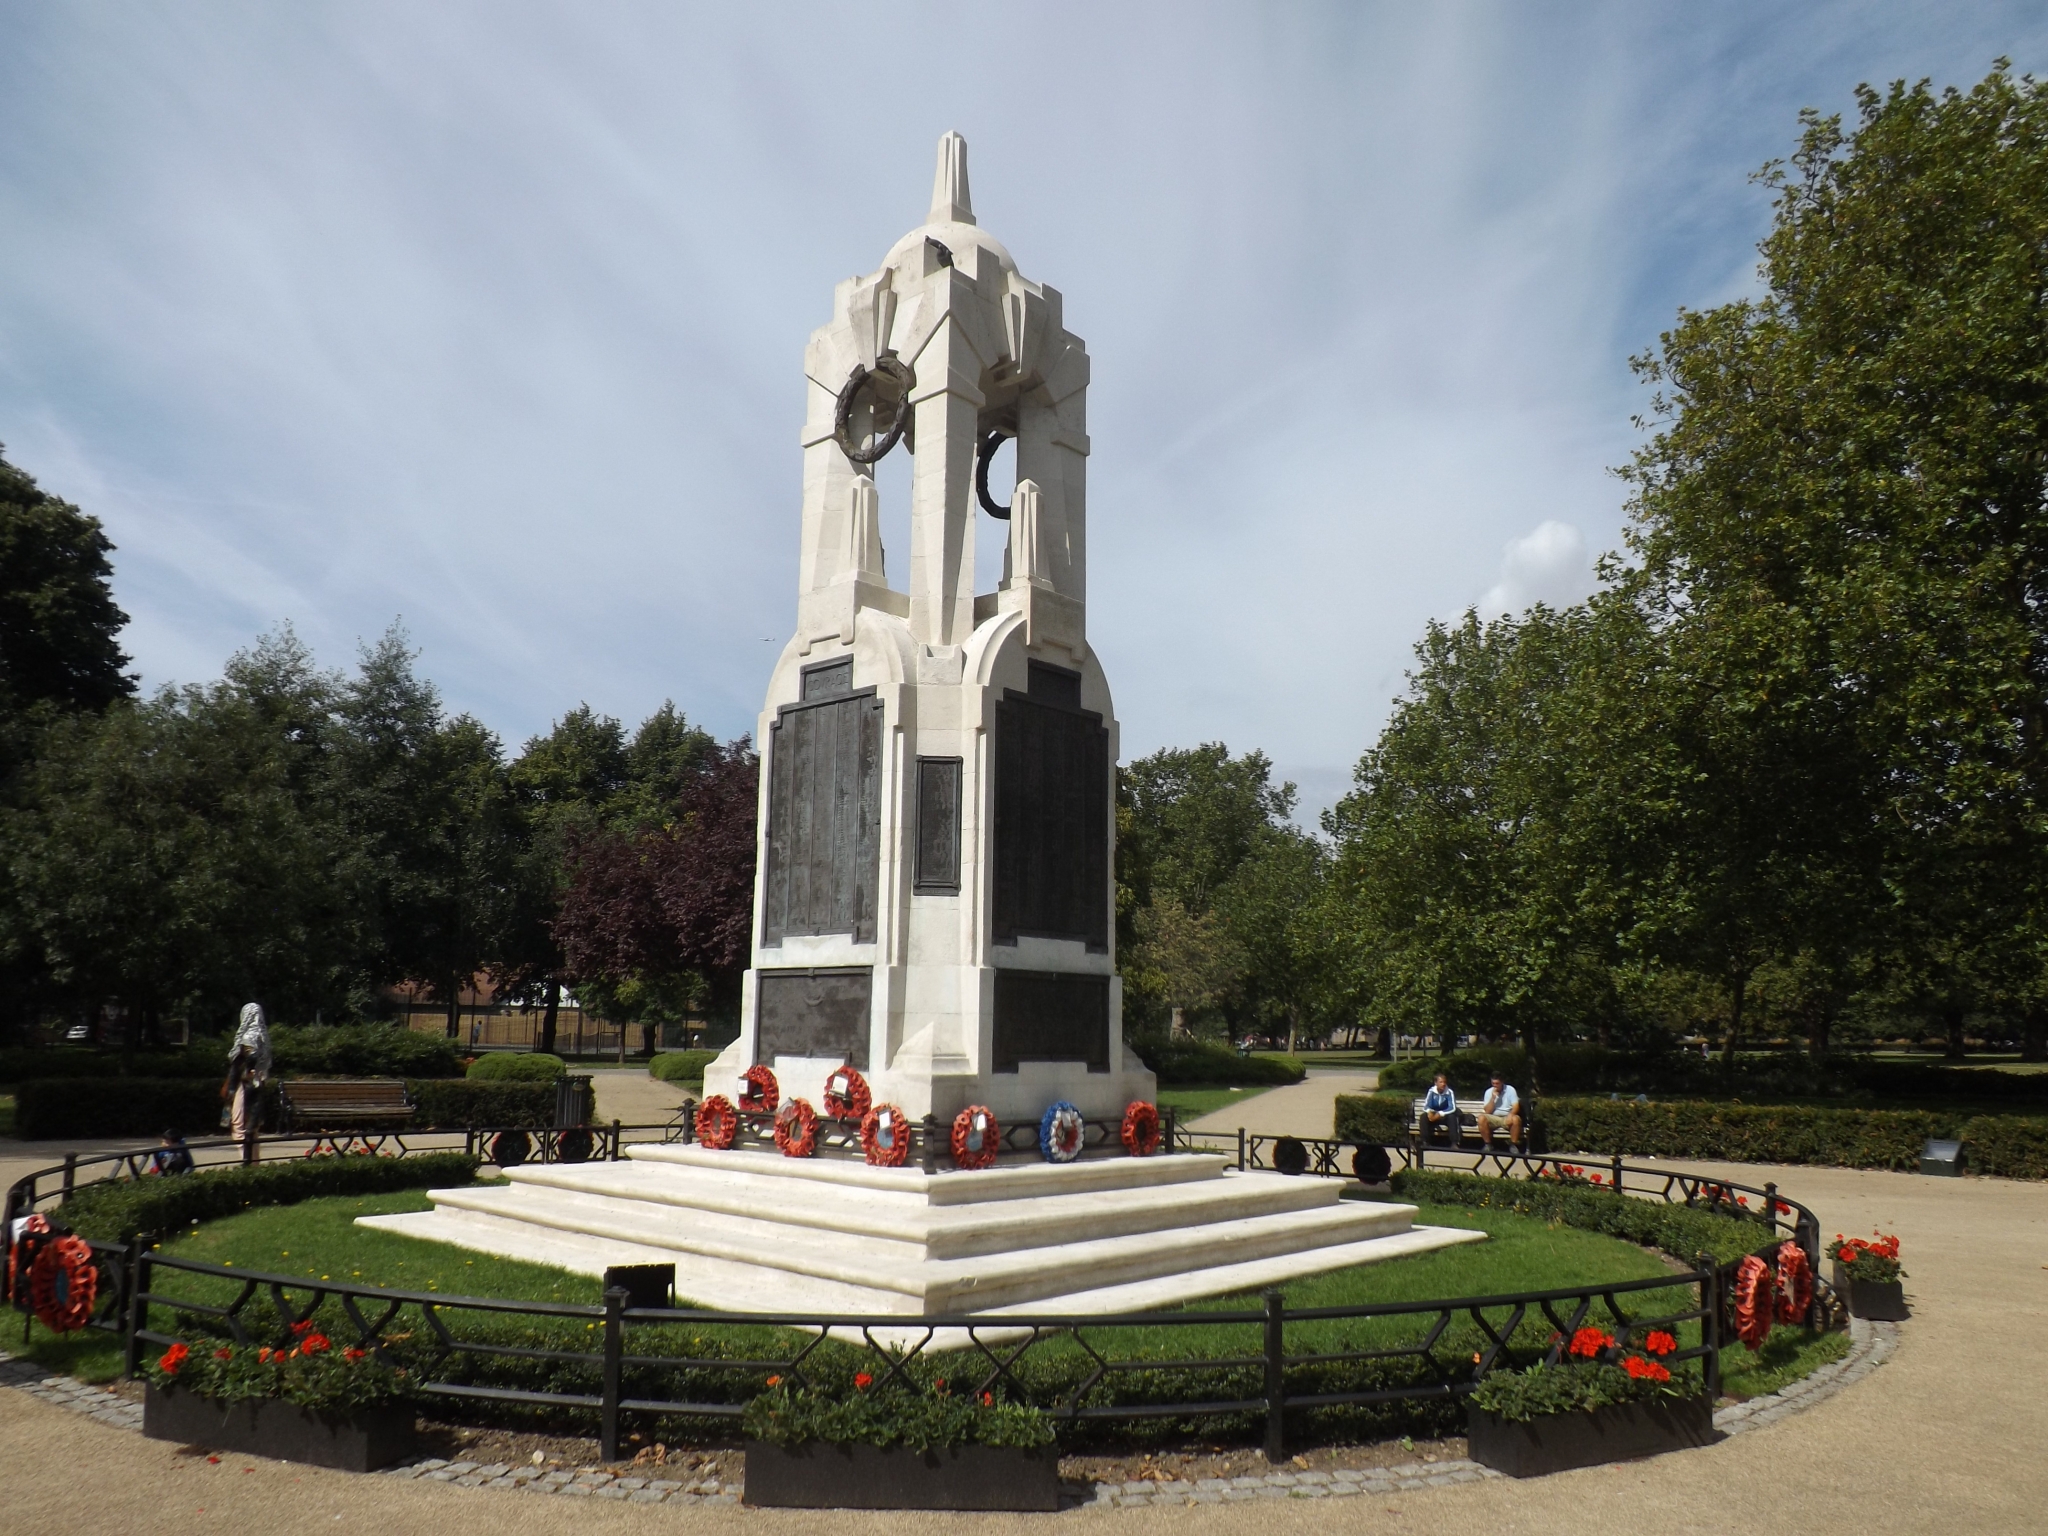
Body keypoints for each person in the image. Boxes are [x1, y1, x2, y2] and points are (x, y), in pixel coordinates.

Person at [221, 1002, 273, 1150]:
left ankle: (246, 1160)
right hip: (259, 1082)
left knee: (238, 1126)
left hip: (244, 1084)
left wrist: (246, 1072)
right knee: (252, 1127)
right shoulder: (264, 1037)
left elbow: (244, 1059)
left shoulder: (247, 1035)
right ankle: (254, 1160)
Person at [1476, 1071, 1522, 1148]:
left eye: (1497, 1083)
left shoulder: (1510, 1090)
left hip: (1506, 1116)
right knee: (1481, 1118)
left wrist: (1511, 1114)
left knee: (1516, 1119)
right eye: (1493, 1083)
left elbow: (1516, 1106)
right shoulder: (1488, 1092)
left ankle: (1513, 1145)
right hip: (1494, 1117)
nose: (1495, 1086)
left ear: (1502, 1082)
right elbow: (1487, 1111)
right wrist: (1493, 1098)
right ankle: (1488, 1144)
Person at [1421, 1072, 1458, 1145]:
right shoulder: (1431, 1091)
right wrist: (1429, 1112)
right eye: (1441, 1082)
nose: (1443, 1084)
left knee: (1452, 1117)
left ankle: (1454, 1143)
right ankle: (1425, 1141)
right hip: (1434, 1115)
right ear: (1436, 1083)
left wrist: (1440, 1114)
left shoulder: (1449, 1092)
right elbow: (1426, 1105)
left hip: (1445, 1116)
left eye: (1444, 1082)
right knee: (1423, 1117)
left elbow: (1452, 1108)